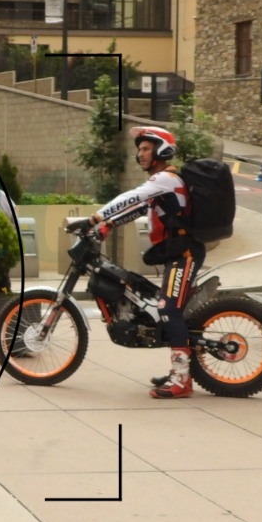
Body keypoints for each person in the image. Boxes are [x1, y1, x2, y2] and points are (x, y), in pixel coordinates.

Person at [88, 127, 201, 400]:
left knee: (168, 309)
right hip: (176, 253)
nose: (140, 154)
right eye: (139, 149)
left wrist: (95, 218)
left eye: (146, 149)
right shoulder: (162, 182)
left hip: (185, 254)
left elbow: (131, 198)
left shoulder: (165, 179)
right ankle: (180, 370)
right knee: (169, 309)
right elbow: (140, 208)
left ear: (161, 150)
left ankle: (182, 380)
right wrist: (109, 225)